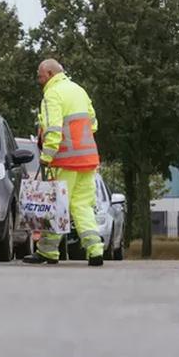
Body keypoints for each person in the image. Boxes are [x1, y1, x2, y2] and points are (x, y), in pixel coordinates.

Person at [24, 59, 105, 267]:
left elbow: (53, 130)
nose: (38, 80)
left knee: (56, 206)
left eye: (40, 76)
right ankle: (95, 249)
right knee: (83, 205)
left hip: (65, 160)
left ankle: (48, 252)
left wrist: (46, 157)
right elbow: (93, 123)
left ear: (50, 73)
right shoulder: (79, 91)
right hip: (87, 159)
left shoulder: (52, 95)